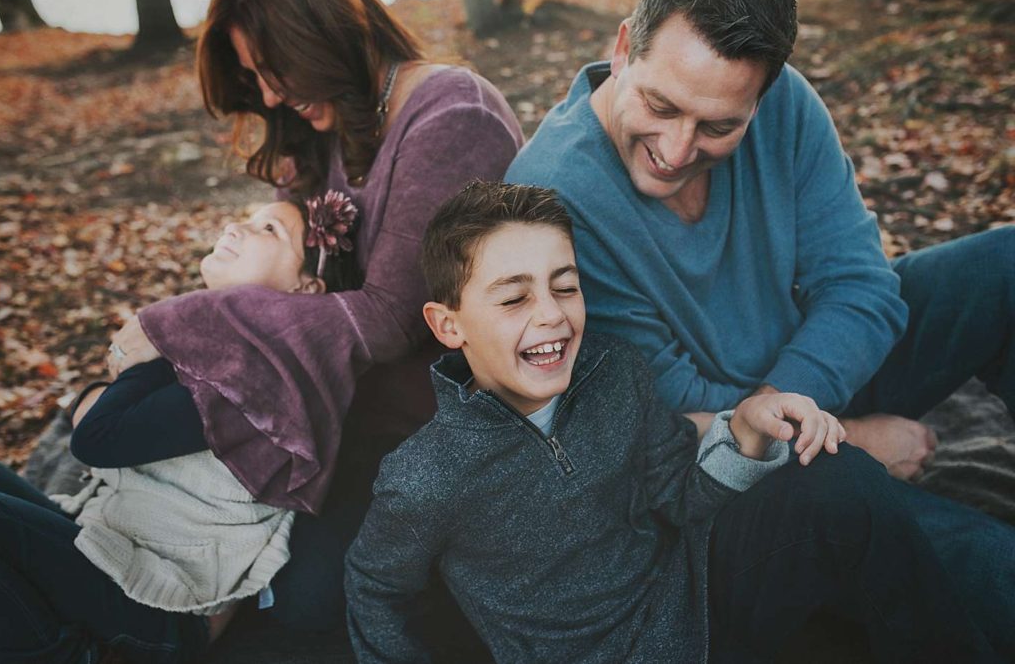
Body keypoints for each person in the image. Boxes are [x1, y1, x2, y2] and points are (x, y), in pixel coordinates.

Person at [505, 0, 1015, 655]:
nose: (678, 148)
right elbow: (662, 421)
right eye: (661, 106)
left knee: (1005, 262)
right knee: (985, 560)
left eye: (719, 125)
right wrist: (854, 439)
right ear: (625, 47)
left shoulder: (787, 106)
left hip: (804, 382)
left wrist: (791, 399)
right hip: (720, 470)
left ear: (762, 95)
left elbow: (861, 284)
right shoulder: (552, 201)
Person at [343, 180, 995, 663]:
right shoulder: (425, 474)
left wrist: (745, 429)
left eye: (564, 286)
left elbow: (680, 489)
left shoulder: (616, 374)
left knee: (839, 477)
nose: (551, 314)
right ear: (448, 324)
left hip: (698, 598)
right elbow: (374, 585)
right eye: (515, 297)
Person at [106, 0, 523, 631]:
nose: (270, 95)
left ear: (324, 34)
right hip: (318, 409)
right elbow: (276, 279)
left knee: (307, 599)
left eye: (277, 71)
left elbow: (387, 316)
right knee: (146, 505)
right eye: (255, 77)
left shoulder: (454, 117)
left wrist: (179, 327)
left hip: (419, 432)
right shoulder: (316, 121)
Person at [0, 199, 354, 663]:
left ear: (307, 288)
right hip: (114, 542)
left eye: (269, 228)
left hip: (159, 605)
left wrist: (150, 347)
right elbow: (97, 421)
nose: (236, 223)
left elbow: (96, 436)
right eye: (245, 212)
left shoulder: (262, 375)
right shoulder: (225, 347)